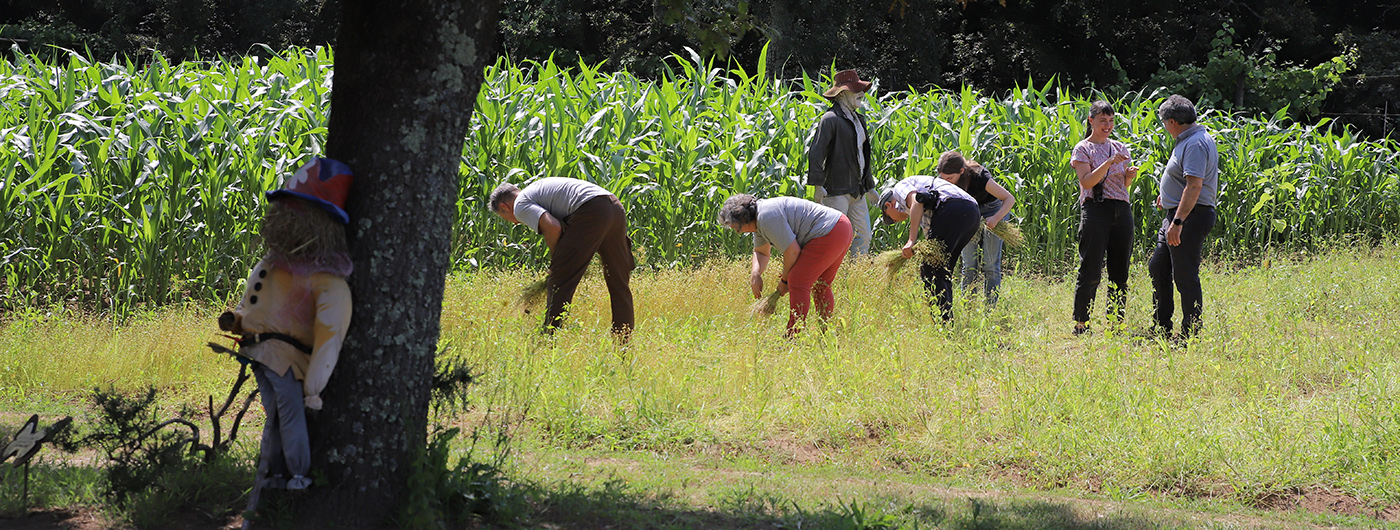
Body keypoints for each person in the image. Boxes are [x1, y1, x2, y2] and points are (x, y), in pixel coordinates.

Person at [218, 158, 355, 491]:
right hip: (263, 353)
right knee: (283, 415)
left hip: (281, 357)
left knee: (283, 415)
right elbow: (253, 302)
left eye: (300, 210)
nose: (286, 216)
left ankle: (283, 473)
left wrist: (314, 387)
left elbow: (329, 335)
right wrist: (236, 321)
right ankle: (285, 474)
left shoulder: (326, 282)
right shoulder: (274, 264)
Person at [489, 177, 635, 339]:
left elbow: (553, 227)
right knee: (618, 282)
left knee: (559, 281)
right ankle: (623, 342)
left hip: (592, 210)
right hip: (613, 206)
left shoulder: (520, 205)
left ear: (504, 206)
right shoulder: (536, 188)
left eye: (506, 218)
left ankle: (548, 340)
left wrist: (557, 261)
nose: (514, 223)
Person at [719, 194, 853, 336]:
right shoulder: (759, 221)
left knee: (797, 280)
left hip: (830, 231)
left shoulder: (766, 217)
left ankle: (793, 335)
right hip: (840, 226)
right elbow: (761, 252)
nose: (737, 232)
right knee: (821, 284)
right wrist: (755, 274)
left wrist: (785, 281)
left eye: (737, 228)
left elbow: (793, 251)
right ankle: (825, 333)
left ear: (744, 220)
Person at [1149, 95, 1219, 339]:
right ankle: (1161, 326)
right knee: (1158, 267)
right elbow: (1182, 181)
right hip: (1177, 213)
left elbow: (1194, 187)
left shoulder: (1196, 143)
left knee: (1185, 275)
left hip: (1190, 216)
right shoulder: (1187, 139)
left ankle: (1191, 333)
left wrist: (1177, 222)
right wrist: (1167, 197)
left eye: (1163, 122)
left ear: (1172, 121)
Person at [1068, 101, 1139, 335]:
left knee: (1120, 270)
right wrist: (1109, 162)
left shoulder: (1120, 146)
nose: (1107, 126)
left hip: (1121, 209)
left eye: (1110, 121)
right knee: (1091, 269)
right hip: (1096, 209)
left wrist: (1129, 175)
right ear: (1091, 121)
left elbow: (1124, 185)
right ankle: (1082, 323)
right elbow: (1087, 182)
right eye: (1102, 121)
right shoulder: (1083, 149)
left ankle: (1116, 323)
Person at [877, 175, 981, 321]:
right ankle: (947, 322)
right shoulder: (917, 213)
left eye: (890, 217)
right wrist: (920, 249)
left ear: (889, 205)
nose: (894, 221)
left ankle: (942, 324)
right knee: (941, 270)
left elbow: (917, 201)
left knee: (930, 270)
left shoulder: (899, 189)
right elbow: (930, 236)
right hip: (972, 212)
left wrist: (911, 241)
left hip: (952, 207)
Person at [807, 69, 876, 256]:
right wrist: (817, 185)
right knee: (834, 237)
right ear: (843, 93)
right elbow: (816, 152)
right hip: (836, 191)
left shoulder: (858, 120)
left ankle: (856, 276)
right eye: (856, 90)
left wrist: (869, 187)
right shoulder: (830, 119)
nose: (861, 94)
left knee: (864, 235)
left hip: (858, 190)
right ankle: (831, 277)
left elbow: (862, 156)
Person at [934, 151, 1015, 306]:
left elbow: (1009, 199)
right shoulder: (944, 179)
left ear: (961, 171)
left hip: (992, 210)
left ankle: (989, 309)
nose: (946, 182)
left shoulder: (979, 176)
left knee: (990, 264)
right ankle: (968, 307)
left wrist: (996, 218)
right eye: (943, 178)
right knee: (969, 264)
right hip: (968, 214)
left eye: (950, 178)